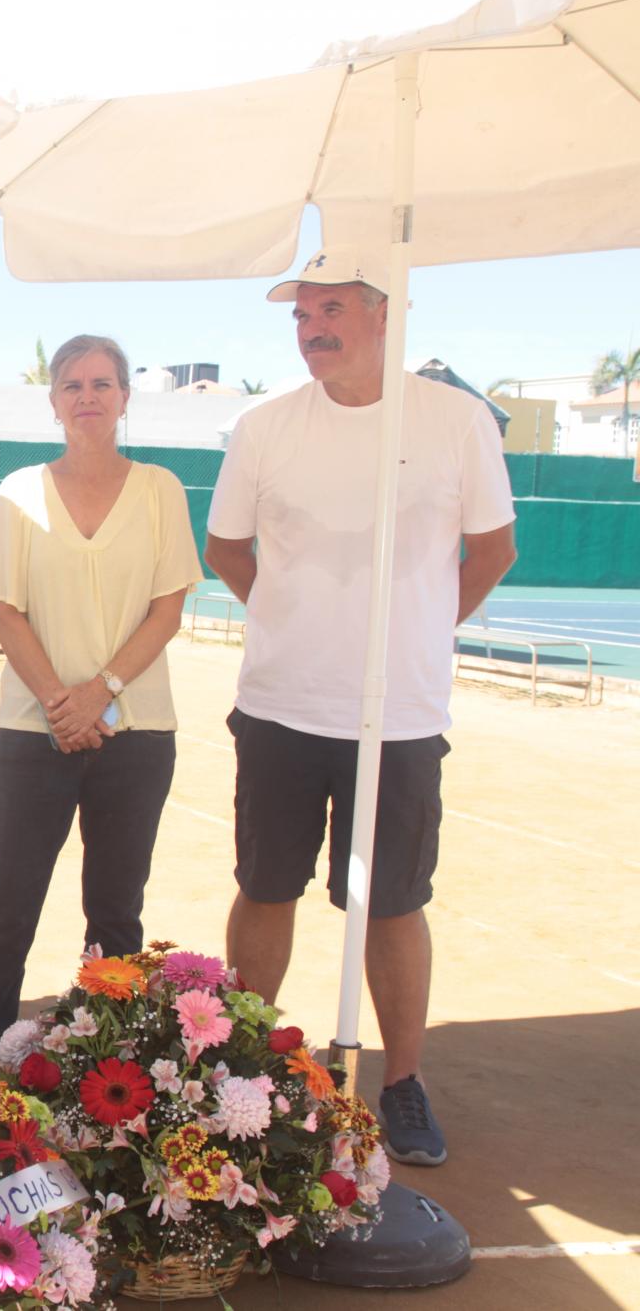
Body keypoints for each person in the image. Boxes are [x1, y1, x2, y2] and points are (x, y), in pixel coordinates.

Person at [207, 247, 516, 1167]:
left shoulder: (458, 421)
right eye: (301, 316)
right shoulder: (262, 426)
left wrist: (411, 636)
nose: (313, 330)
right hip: (280, 708)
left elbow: (491, 550)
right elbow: (228, 550)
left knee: (391, 904)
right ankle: (241, 1069)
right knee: (265, 887)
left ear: (387, 312)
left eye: (331, 310)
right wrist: (302, 626)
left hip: (404, 718)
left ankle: (403, 1083)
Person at [0, 334, 201, 1063]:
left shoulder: (161, 490)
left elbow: (167, 610)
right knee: (7, 906)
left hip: (139, 734)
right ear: (54, 400)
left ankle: (110, 1064)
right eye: (72, 385)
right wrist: (63, 704)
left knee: (116, 915)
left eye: (102, 383)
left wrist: (101, 693)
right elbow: (6, 611)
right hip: (35, 734)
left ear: (125, 396)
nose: (87, 396)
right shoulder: (20, 490)